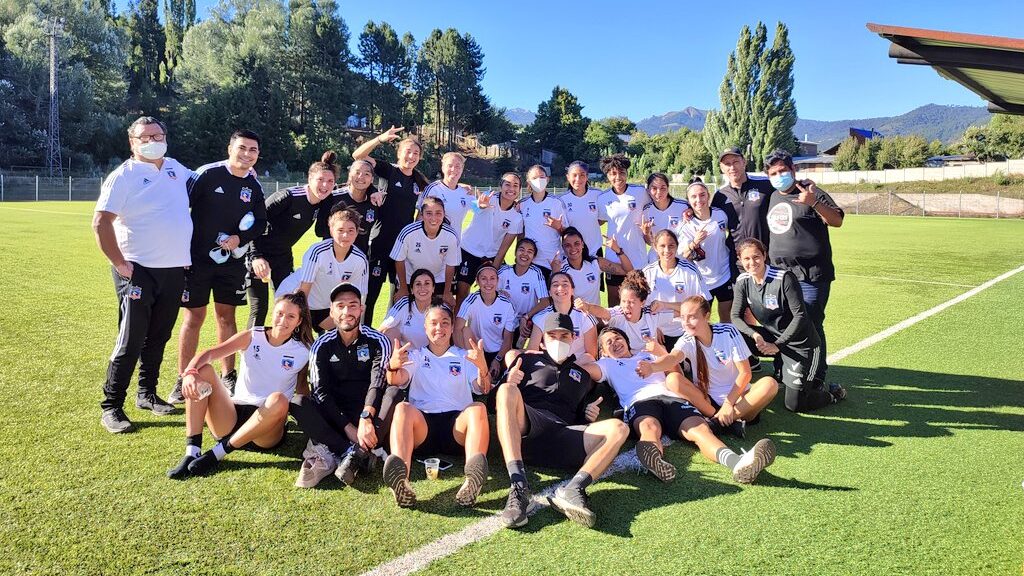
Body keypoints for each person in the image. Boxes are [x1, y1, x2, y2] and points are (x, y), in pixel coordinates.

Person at [94, 116, 193, 432]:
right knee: (131, 338)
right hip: (138, 271)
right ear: (132, 142)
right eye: (145, 136)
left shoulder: (176, 168)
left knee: (159, 335)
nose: (153, 140)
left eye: (158, 135)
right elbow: (100, 222)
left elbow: (206, 182)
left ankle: (146, 394)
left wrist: (242, 169)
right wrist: (120, 263)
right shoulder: (123, 176)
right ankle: (111, 406)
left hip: (174, 270)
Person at [582, 328, 776, 484]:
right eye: (609, 342)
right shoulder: (606, 364)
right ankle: (655, 460)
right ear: (603, 352)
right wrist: (582, 358)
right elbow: (583, 369)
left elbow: (675, 372)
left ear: (626, 341)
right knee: (649, 428)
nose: (615, 343)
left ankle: (738, 464)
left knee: (700, 430)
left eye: (617, 338)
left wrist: (661, 353)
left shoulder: (647, 355)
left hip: (671, 398)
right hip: (639, 402)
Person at [495, 314, 628, 529]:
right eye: (552, 335)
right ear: (543, 340)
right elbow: (496, 401)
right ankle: (519, 486)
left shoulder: (582, 375)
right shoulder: (525, 361)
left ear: (573, 338)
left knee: (619, 428)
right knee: (506, 390)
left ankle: (574, 489)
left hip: (563, 434)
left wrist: (588, 414)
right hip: (529, 426)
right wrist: (510, 381)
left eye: (564, 335)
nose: (558, 340)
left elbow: (578, 416)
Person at [167, 292, 314, 479]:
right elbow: (210, 354)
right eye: (279, 313)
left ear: (299, 322)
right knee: (203, 371)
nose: (283, 320)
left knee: (278, 399)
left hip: (266, 431)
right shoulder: (253, 336)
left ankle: (217, 454)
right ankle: (192, 452)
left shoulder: (304, 350)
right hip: (232, 418)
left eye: (291, 316)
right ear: (273, 313)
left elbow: (302, 389)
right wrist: (189, 373)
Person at [176, 130, 267, 401]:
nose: (247, 154)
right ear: (230, 148)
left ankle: (228, 376)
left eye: (253, 150)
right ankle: (184, 377)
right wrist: (181, 252)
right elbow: (179, 210)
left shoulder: (254, 186)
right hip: (197, 261)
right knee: (194, 318)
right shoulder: (207, 174)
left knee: (227, 317)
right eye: (242, 148)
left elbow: (260, 223)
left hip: (232, 264)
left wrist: (240, 238)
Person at [383, 305, 492, 508]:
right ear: (425, 328)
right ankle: (401, 481)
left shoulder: (464, 356)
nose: (439, 328)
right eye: (433, 323)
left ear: (452, 329)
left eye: (445, 323)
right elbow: (395, 380)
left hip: (455, 429)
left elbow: (484, 389)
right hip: (423, 428)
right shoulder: (415, 355)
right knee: (402, 408)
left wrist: (482, 367)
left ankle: (472, 481)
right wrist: (393, 365)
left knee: (478, 408)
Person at [289, 284, 394, 488]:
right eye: (341, 306)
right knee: (297, 402)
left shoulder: (378, 340)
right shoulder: (322, 345)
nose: (347, 312)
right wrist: (349, 429)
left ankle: (354, 450)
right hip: (337, 416)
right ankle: (353, 451)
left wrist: (366, 418)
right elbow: (320, 393)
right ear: (332, 311)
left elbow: (378, 382)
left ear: (361, 309)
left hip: (369, 412)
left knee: (395, 393)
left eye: (353, 305)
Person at [731, 238, 846, 411]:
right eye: (746, 259)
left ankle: (833, 394)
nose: (751, 262)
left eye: (756, 257)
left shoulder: (784, 278)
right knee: (733, 334)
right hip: (773, 339)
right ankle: (733, 382)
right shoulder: (743, 281)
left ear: (764, 255)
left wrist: (777, 345)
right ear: (740, 259)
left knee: (794, 404)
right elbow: (735, 316)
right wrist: (755, 335)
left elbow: (800, 316)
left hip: (800, 344)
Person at [641, 296, 778, 437]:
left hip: (738, 399)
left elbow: (745, 373)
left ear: (706, 316)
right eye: (682, 317)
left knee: (770, 384)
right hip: (707, 402)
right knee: (672, 380)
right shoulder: (687, 339)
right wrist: (652, 367)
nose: (686, 323)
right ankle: (725, 421)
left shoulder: (728, 332)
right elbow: (673, 358)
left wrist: (728, 404)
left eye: (692, 317)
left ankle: (717, 423)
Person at [763, 149, 844, 380]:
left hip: (811, 275)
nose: (779, 176)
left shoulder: (810, 190)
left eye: (783, 171)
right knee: (784, 324)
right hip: (781, 275)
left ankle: (817, 373)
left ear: (793, 170)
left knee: (811, 323)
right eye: (773, 172)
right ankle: (785, 368)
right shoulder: (773, 196)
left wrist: (814, 202)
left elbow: (836, 220)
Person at [247, 151, 338, 330]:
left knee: (289, 305)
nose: (325, 185)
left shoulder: (323, 202)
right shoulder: (288, 197)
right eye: (320, 180)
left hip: (283, 257)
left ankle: (284, 349)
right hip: (258, 255)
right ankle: (249, 355)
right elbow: (254, 221)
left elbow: (321, 230)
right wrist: (256, 256)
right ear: (309, 178)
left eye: (330, 182)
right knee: (259, 308)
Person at [352, 126, 430, 325]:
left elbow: (439, 193)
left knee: (399, 297)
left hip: (403, 249)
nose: (411, 156)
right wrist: (380, 138)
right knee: (370, 295)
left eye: (416, 153)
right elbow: (357, 155)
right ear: (399, 153)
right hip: (380, 245)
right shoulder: (389, 171)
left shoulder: (419, 182)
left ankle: (389, 334)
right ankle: (364, 334)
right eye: (408, 151)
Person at [297, 206, 369, 331]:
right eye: (340, 230)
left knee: (342, 334)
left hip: (332, 308)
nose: (345, 235)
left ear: (357, 232)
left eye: (351, 230)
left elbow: (359, 298)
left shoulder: (360, 259)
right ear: (331, 231)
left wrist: (346, 320)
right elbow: (303, 292)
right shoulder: (317, 252)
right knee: (302, 342)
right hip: (306, 303)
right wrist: (300, 320)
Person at [456, 172, 522, 307]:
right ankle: (458, 327)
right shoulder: (489, 198)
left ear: (520, 190)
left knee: (494, 293)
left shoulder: (516, 216)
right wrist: (479, 205)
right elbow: (474, 206)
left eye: (515, 186)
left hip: (492, 256)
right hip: (469, 250)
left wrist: (494, 268)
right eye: (507, 184)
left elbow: (504, 248)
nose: (511, 189)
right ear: (500, 186)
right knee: (462, 293)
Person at [641, 230, 711, 352]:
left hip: (685, 330)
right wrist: (654, 327)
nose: (667, 250)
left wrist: (664, 305)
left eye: (671, 246)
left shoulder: (690, 271)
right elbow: (641, 307)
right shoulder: (647, 272)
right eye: (662, 246)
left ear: (677, 247)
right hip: (658, 332)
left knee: (690, 369)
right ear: (655, 248)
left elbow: (700, 305)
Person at [678, 180, 735, 323]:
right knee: (702, 321)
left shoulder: (720, 215)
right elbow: (683, 254)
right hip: (702, 281)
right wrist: (694, 242)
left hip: (724, 275)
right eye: (694, 197)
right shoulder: (687, 224)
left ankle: (726, 344)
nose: (699, 200)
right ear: (688, 200)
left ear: (708, 195)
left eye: (702, 195)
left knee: (726, 317)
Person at [598, 154, 650, 307]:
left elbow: (660, 202)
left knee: (639, 303)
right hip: (613, 258)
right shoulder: (603, 198)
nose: (618, 177)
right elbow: (596, 222)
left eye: (621, 172)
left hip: (637, 259)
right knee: (614, 303)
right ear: (608, 176)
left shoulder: (640, 192)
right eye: (613, 173)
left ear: (627, 173)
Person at [390, 196, 461, 308]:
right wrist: (403, 288)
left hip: (438, 278)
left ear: (444, 214)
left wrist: (447, 292)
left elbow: (451, 265)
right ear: (421, 215)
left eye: (438, 213)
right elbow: (399, 260)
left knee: (441, 314)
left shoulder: (451, 235)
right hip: (410, 278)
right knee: (406, 312)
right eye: (429, 213)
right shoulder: (408, 232)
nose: (434, 218)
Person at [455, 264, 517, 382]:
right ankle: (471, 370)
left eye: (492, 278)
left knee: (511, 357)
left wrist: (498, 360)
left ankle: (498, 376)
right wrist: (462, 356)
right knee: (465, 330)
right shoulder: (470, 300)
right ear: (477, 281)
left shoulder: (507, 304)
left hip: (498, 353)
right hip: (478, 351)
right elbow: (457, 329)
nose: (488, 283)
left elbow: (508, 338)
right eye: (483, 278)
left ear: (498, 281)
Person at [575, 270, 661, 353]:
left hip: (645, 360)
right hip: (621, 359)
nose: (626, 306)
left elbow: (674, 313)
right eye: (623, 301)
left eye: (631, 302)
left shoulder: (651, 313)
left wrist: (664, 305)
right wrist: (588, 307)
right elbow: (603, 312)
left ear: (642, 302)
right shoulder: (618, 313)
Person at [554, 226, 632, 306]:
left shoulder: (596, 263)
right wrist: (554, 273)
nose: (573, 248)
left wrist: (618, 250)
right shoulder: (560, 270)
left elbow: (628, 271)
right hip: (574, 317)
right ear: (563, 248)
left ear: (582, 244)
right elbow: (557, 301)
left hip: (596, 317)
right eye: (568, 245)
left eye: (576, 243)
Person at [714, 147, 775, 248]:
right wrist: (689, 212)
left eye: (735, 162)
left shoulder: (765, 185)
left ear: (744, 162)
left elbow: (786, 195)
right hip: (737, 259)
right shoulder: (720, 196)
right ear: (722, 168)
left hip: (764, 255)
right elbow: (708, 218)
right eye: (727, 164)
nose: (732, 167)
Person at [528, 272, 598, 360]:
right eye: (555, 285)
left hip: (577, 367)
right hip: (549, 366)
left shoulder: (585, 317)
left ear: (572, 290)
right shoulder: (540, 317)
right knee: (512, 354)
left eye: (565, 284)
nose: (560, 288)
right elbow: (532, 351)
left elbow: (592, 355)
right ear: (549, 292)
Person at [315, 159, 377, 254]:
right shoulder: (333, 197)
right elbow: (319, 231)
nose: (361, 177)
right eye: (357, 172)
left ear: (372, 179)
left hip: (358, 260)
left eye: (367, 174)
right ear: (349, 175)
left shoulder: (375, 201)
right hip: (331, 258)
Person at [496, 238, 550, 346]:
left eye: (530, 252)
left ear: (534, 257)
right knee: (499, 348)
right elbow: (488, 293)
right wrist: (498, 293)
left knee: (516, 351)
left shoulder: (536, 273)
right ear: (515, 252)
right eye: (521, 250)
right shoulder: (504, 271)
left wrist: (526, 317)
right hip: (505, 318)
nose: (525, 254)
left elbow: (545, 302)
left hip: (525, 320)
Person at [518, 164, 565, 279]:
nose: (538, 180)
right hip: (531, 261)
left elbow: (567, 233)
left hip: (553, 260)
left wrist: (559, 228)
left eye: (542, 177)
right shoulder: (522, 204)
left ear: (547, 179)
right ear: (528, 181)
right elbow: (520, 233)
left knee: (553, 295)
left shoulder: (557, 202)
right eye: (534, 178)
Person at [421, 152, 476, 244]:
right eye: (450, 165)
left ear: (462, 170)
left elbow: (478, 210)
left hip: (454, 245)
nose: (453, 169)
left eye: (458, 166)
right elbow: (420, 218)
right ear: (443, 168)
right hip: (432, 244)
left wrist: (480, 200)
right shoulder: (433, 189)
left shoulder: (465, 193)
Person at [380, 268, 440, 350]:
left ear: (433, 288)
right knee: (390, 331)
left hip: (432, 356)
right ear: (412, 289)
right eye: (418, 284)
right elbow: (382, 329)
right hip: (407, 356)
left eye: (427, 283)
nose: (422, 288)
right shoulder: (404, 303)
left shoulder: (441, 308)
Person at [558, 161, 603, 262]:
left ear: (587, 177)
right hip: (572, 251)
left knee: (596, 278)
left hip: (595, 250)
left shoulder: (598, 194)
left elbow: (602, 219)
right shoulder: (561, 200)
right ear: (568, 177)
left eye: (582, 175)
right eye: (574, 175)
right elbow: (563, 228)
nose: (578, 179)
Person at [640, 172, 689, 262]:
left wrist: (692, 210)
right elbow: (649, 242)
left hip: (680, 258)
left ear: (668, 188)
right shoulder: (646, 210)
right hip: (656, 259)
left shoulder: (683, 206)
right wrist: (646, 234)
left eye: (663, 188)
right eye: (654, 188)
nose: (659, 192)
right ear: (648, 190)